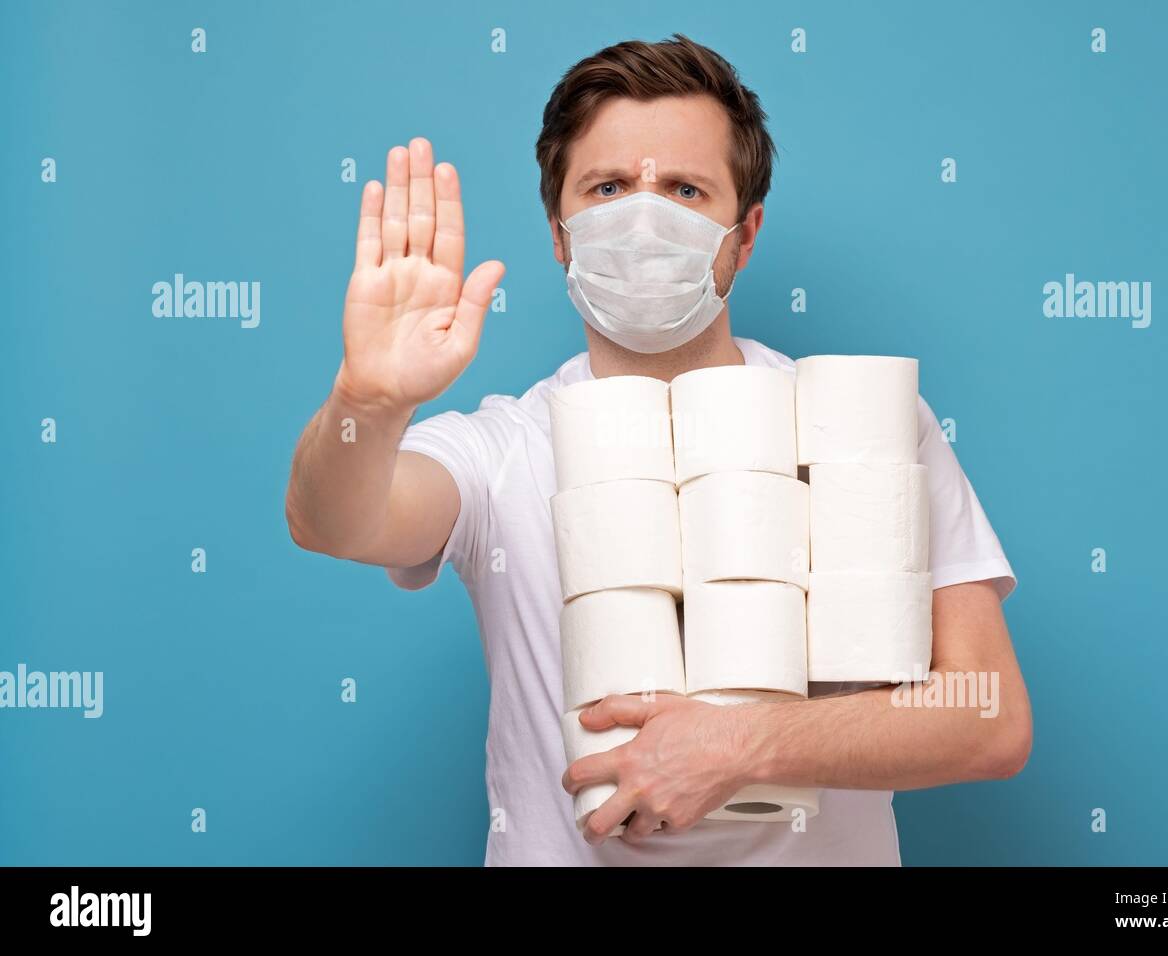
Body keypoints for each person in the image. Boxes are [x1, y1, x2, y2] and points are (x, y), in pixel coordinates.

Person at [285, 34, 1031, 866]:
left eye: (684, 189)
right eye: (607, 188)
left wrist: (750, 746)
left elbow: (990, 715)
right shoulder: (502, 450)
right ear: (561, 235)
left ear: (743, 238)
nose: (642, 220)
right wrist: (367, 403)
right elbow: (333, 522)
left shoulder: (867, 425)